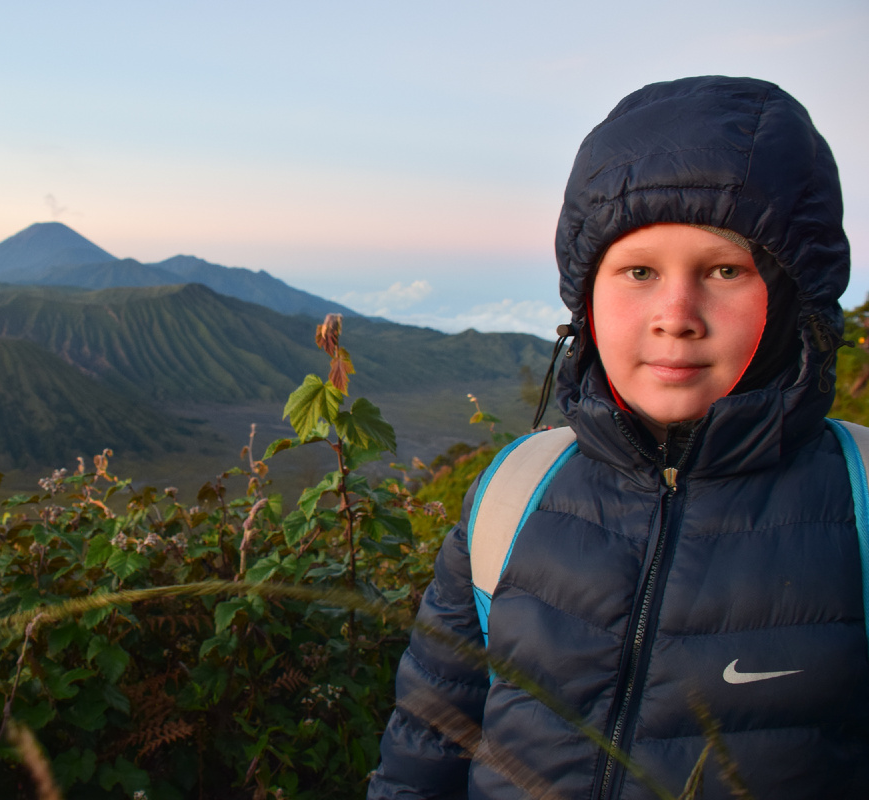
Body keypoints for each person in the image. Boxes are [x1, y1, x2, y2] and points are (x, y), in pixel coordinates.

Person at [368, 76, 869, 799]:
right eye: (638, 271)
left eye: (725, 270)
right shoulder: (514, 496)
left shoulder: (856, 507)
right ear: (587, 296)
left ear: (794, 296)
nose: (677, 314)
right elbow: (423, 761)